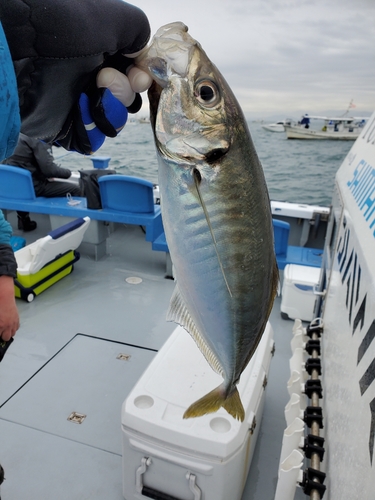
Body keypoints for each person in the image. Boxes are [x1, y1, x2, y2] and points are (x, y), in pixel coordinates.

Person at [0, 0, 153, 346]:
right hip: (37, 186)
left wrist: (20, 81)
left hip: (15, 192)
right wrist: (24, 37)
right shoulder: (35, 143)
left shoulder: (14, 142)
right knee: (78, 186)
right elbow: (51, 170)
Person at [3, 133, 83, 231]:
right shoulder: (39, 137)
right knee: (75, 189)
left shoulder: (11, 134)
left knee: (19, 186)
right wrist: (68, 173)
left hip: (7, 187)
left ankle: (23, 218)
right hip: (33, 189)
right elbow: (50, 170)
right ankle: (76, 227)